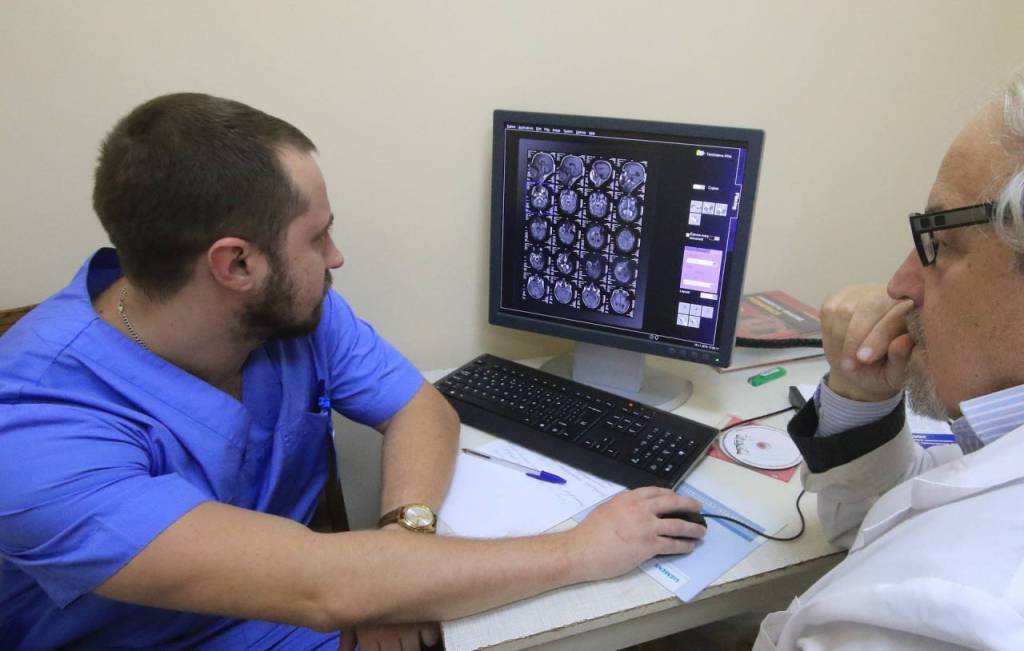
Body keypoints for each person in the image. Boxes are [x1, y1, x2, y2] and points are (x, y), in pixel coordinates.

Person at [0, 93, 708, 650]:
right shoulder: (33, 427)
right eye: (317, 236)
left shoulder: (289, 314)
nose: (335, 256)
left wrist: (402, 552)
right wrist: (584, 548)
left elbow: (419, 408)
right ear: (236, 263)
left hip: (296, 616)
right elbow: (324, 586)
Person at [754, 77, 1024, 650]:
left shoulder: (943, 618)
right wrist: (860, 396)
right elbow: (888, 525)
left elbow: (916, 558)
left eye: (940, 242)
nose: (900, 284)